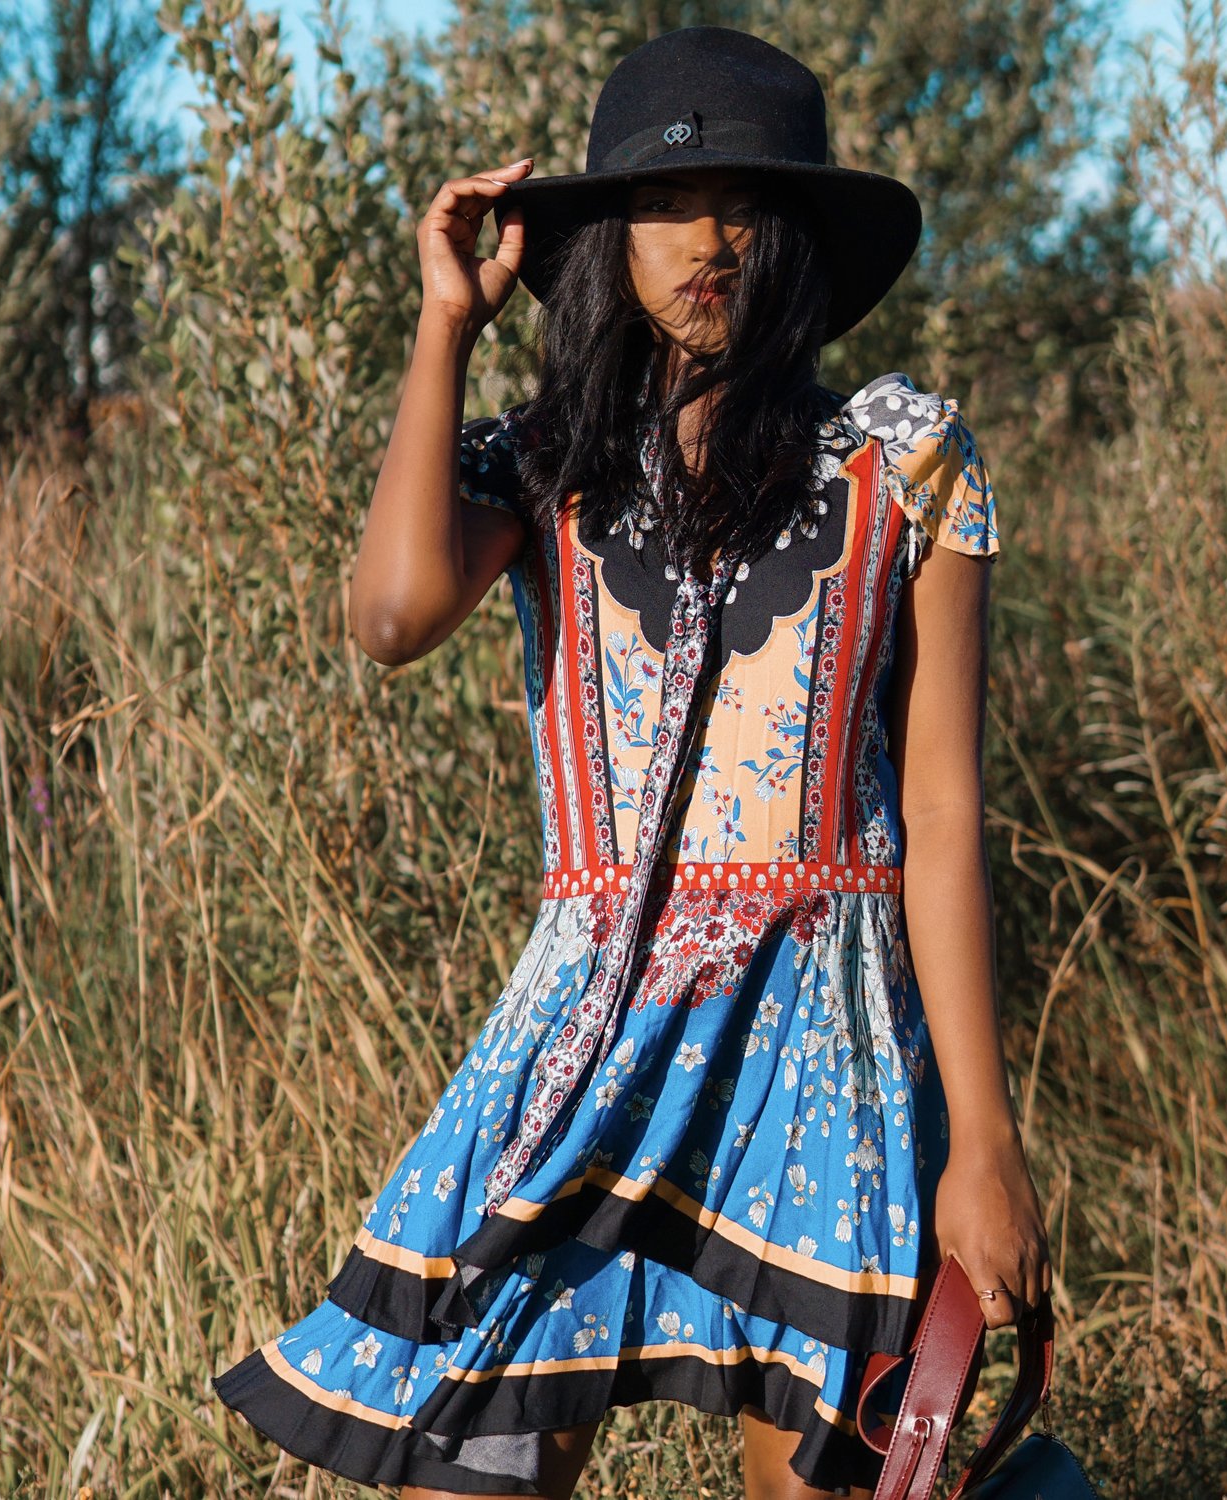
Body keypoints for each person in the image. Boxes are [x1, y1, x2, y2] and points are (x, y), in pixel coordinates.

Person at [214, 25, 1051, 1500]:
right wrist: (443, 324)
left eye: (745, 204)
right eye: (667, 204)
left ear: (796, 236)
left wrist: (980, 1140)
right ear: (609, 237)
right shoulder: (542, 461)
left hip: (826, 1038)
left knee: (838, 1473)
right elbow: (393, 614)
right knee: (465, 1462)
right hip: (587, 1030)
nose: (708, 240)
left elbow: (938, 805)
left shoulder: (901, 462)